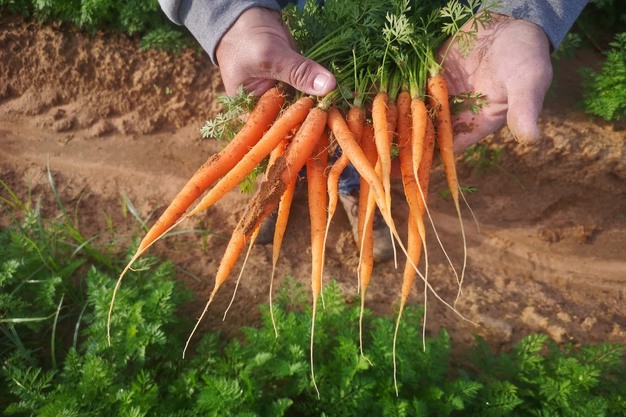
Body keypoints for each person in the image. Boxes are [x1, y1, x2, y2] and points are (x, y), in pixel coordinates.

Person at [157, 0, 588, 260]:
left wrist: (523, 9)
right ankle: (279, 185)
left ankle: (355, 188)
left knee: (356, 134)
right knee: (291, 127)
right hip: (296, 20)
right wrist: (227, 12)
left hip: (423, 24)